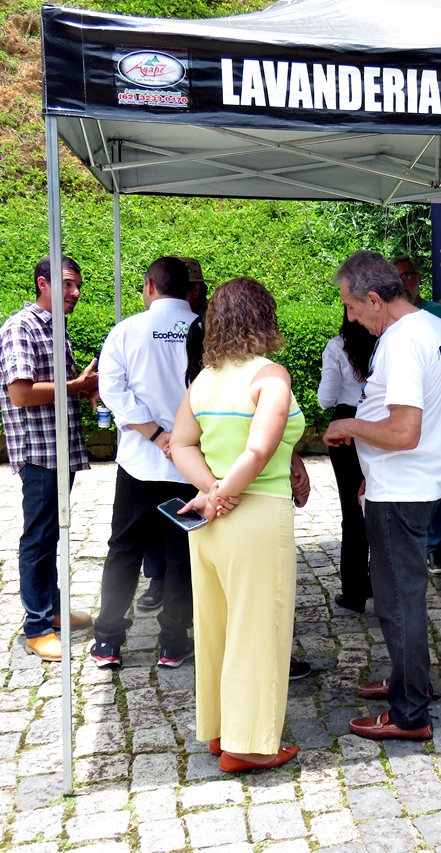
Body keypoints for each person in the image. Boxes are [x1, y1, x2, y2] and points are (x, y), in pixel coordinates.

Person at [170, 277, 310, 772]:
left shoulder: (203, 380)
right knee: (258, 629)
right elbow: (260, 449)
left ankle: (219, 730)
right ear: (264, 317)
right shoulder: (270, 376)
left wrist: (210, 490)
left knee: (216, 629)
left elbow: (179, 443)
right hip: (255, 516)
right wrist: (225, 494)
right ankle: (247, 745)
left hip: (209, 524)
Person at [324, 250, 441, 741]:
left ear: (376, 299)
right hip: (406, 482)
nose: (351, 317)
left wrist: (348, 426)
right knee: (403, 595)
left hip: (401, 489)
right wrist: (371, 470)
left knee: (398, 601)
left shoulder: (402, 342)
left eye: (353, 306)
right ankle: (409, 680)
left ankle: (410, 714)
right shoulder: (431, 326)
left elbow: (403, 432)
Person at [90, 257, 198, 670]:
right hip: (191, 462)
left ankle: (108, 640)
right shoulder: (205, 329)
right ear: (189, 288)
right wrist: (178, 438)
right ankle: (173, 642)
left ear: (150, 285)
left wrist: (155, 434)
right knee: (182, 554)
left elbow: (112, 391)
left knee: (124, 549)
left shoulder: (126, 330)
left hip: (139, 461)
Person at [0, 255, 99, 661]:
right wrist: (76, 385)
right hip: (39, 452)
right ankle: (37, 627)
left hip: (59, 449)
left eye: (78, 285)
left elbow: (58, 387)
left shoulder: (55, 327)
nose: (76, 292)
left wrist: (84, 389)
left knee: (52, 533)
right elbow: (21, 394)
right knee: (38, 538)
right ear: (43, 283)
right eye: (67, 284)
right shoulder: (21, 328)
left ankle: (53, 610)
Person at [139, 257, 209, 613]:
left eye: (195, 288)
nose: (190, 293)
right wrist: (159, 435)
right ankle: (158, 581)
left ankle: (186, 599)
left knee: (187, 526)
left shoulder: (209, 325)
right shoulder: (146, 326)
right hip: (156, 445)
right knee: (154, 524)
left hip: (196, 444)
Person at [392, 253, 441, 576]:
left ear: (419, 278)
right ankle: (404, 545)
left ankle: (434, 547)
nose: (403, 283)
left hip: (435, 412)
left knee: (433, 475)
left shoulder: (438, 315)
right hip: (399, 410)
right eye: (396, 277)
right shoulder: (388, 317)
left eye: (407, 275)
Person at [318, 311, 377, 613]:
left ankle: (354, 592)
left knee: (352, 512)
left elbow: (325, 399)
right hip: (380, 421)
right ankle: (381, 582)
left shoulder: (336, 346)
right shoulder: (384, 341)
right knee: (381, 504)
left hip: (346, 424)